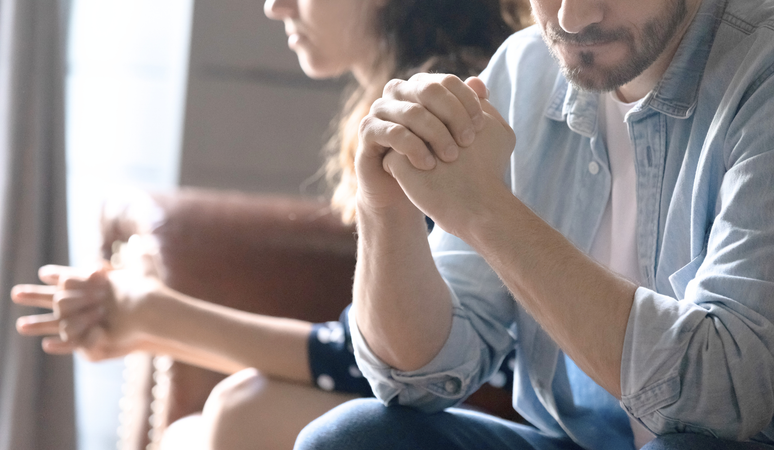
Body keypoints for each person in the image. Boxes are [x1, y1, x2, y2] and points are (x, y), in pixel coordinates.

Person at [9, 0, 532, 449]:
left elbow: (378, 361)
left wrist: (154, 317)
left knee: (248, 409)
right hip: (443, 389)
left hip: (495, 401)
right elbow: (363, 351)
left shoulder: (449, 110)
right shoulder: (410, 102)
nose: (274, 6)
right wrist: (144, 323)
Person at [291, 0, 774, 448]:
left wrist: (487, 210)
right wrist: (385, 207)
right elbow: (416, 376)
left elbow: (724, 395)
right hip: (579, 441)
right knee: (348, 438)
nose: (571, 18)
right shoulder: (526, 66)